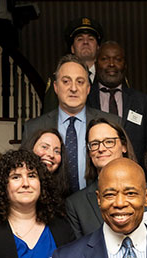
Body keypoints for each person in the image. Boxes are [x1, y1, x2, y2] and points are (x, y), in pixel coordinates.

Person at [66, 117, 147, 238]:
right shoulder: (76, 204)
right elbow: (79, 253)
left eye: (109, 141)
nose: (101, 148)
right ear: (89, 153)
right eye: (94, 144)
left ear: (124, 146)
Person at [24, 55, 112, 193]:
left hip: (98, 208)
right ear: (56, 87)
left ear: (88, 88)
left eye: (80, 82)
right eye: (66, 81)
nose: (73, 88)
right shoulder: (33, 127)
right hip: (50, 208)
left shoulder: (111, 124)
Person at [86, 41, 147, 158]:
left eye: (118, 59)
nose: (111, 64)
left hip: (134, 173)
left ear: (125, 65)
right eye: (105, 59)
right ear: (95, 65)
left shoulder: (144, 102)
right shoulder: (85, 100)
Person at [42, 16, 104, 113]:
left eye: (91, 39)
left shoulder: (110, 77)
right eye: (80, 39)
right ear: (72, 49)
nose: (85, 42)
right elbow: (49, 116)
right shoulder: (59, 78)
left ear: (98, 48)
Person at [22, 128, 71, 198]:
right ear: (31, 148)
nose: (51, 155)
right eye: (44, 147)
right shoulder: (16, 185)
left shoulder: (61, 195)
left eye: (57, 151)